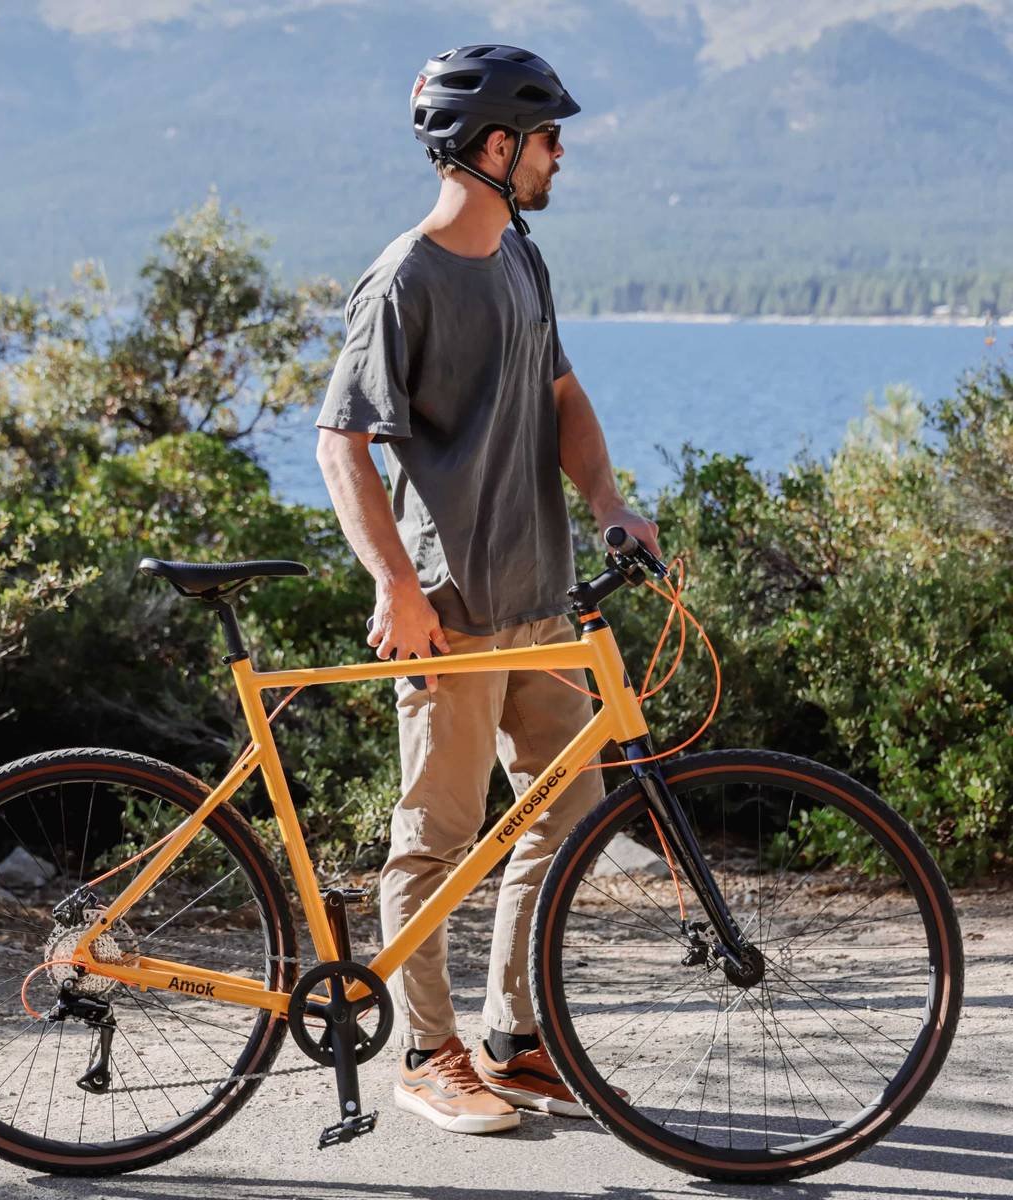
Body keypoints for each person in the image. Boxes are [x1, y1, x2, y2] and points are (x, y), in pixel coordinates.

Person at [315, 44, 660, 1135]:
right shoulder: (404, 279)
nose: (563, 154)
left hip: (543, 600)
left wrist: (608, 500)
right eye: (550, 136)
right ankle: (426, 1051)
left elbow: (562, 393)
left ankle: (512, 1038)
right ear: (498, 147)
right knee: (437, 836)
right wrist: (397, 591)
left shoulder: (522, 254)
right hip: (452, 615)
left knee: (564, 818)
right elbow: (340, 445)